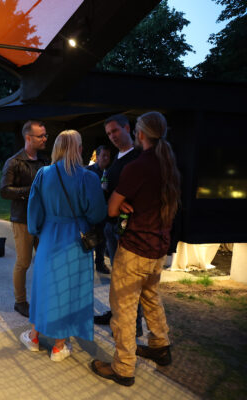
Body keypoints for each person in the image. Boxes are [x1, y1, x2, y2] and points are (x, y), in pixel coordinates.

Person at [91, 111, 181, 386]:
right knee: (151, 298)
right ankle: (159, 345)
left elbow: (112, 207)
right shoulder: (169, 164)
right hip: (158, 249)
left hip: (135, 249)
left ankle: (123, 367)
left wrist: (124, 204)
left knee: (124, 309)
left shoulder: (138, 166)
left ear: (139, 133)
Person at [19, 130, 106, 362]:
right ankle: (59, 346)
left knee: (44, 286)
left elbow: (34, 212)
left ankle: (34, 336)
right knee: (69, 291)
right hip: (76, 241)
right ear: (78, 149)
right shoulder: (89, 177)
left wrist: (37, 230)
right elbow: (97, 213)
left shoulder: (43, 174)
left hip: (49, 236)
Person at [93, 114, 142, 332]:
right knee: (118, 277)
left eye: (115, 131)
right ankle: (117, 314)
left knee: (129, 281)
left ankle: (133, 323)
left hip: (127, 230)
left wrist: (124, 202)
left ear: (127, 127)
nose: (112, 136)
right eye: (109, 133)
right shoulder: (118, 158)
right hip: (111, 226)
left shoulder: (138, 157)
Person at [0, 120, 49, 317]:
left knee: (45, 260)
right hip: (22, 218)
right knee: (24, 262)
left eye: (45, 135)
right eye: (40, 136)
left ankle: (44, 297)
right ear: (28, 138)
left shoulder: (45, 161)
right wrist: (31, 191)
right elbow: (4, 191)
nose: (45, 139)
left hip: (44, 219)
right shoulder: (14, 162)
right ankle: (20, 301)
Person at [86, 145, 111, 274]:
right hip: (90, 212)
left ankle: (100, 264)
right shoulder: (88, 171)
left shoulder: (110, 172)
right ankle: (87, 265)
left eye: (108, 156)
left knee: (102, 239)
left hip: (104, 211)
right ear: (97, 156)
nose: (106, 158)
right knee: (89, 239)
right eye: (103, 155)